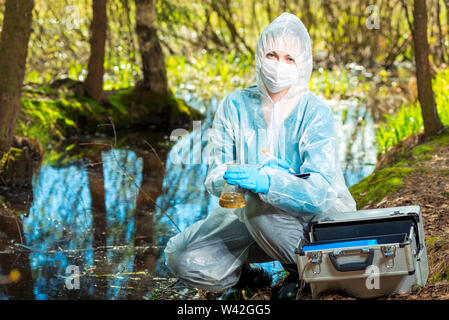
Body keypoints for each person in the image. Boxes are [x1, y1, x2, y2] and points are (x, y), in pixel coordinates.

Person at [164, 12, 356, 299]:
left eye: (289, 58)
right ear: (259, 55)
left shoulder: (314, 112)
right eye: (272, 54)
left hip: (315, 220)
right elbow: (215, 173)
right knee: (183, 255)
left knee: (260, 207)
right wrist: (229, 178)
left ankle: (302, 273)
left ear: (303, 64)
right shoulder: (235, 105)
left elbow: (319, 193)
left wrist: (272, 182)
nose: (279, 65)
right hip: (249, 216)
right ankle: (248, 277)